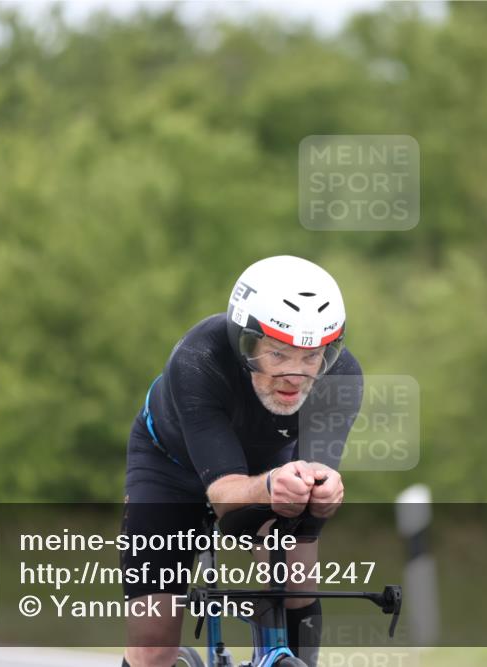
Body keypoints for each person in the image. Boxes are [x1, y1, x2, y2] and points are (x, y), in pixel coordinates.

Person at [120, 255, 363, 667]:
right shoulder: (198, 359)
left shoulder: (340, 377)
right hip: (169, 471)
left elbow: (318, 476)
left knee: (297, 584)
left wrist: (326, 490)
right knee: (153, 643)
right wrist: (272, 486)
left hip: (265, 469)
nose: (297, 375)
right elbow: (225, 496)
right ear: (244, 341)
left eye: (312, 356)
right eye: (280, 354)